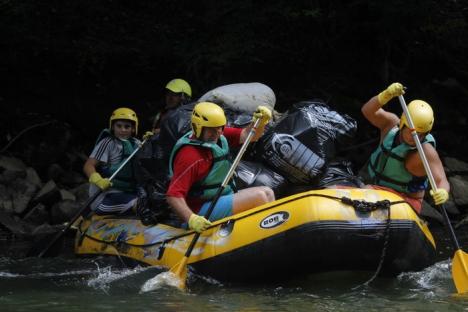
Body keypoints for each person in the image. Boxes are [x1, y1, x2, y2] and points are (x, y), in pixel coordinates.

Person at [166, 102, 275, 232]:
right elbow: (173, 195)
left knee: (268, 192)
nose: (217, 133)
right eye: (211, 129)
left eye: (219, 127)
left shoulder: (218, 135)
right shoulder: (189, 156)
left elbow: (248, 135)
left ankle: (269, 233)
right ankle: (263, 233)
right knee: (260, 197)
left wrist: (260, 123)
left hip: (219, 197)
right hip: (198, 211)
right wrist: (191, 219)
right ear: (198, 127)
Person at [361, 82, 450, 213]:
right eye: (411, 130)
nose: (415, 137)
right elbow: (367, 111)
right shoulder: (390, 125)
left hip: (405, 199)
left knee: (366, 191)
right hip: (372, 183)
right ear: (403, 122)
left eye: (421, 134)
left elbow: (441, 180)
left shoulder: (426, 151)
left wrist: (443, 191)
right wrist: (386, 95)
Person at [83, 107, 141, 215]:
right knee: (142, 205)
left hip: (127, 192)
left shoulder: (137, 144)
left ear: (133, 129)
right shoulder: (107, 143)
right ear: (113, 127)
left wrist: (151, 142)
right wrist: (97, 180)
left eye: (127, 127)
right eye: (118, 126)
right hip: (105, 197)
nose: (122, 130)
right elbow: (88, 165)